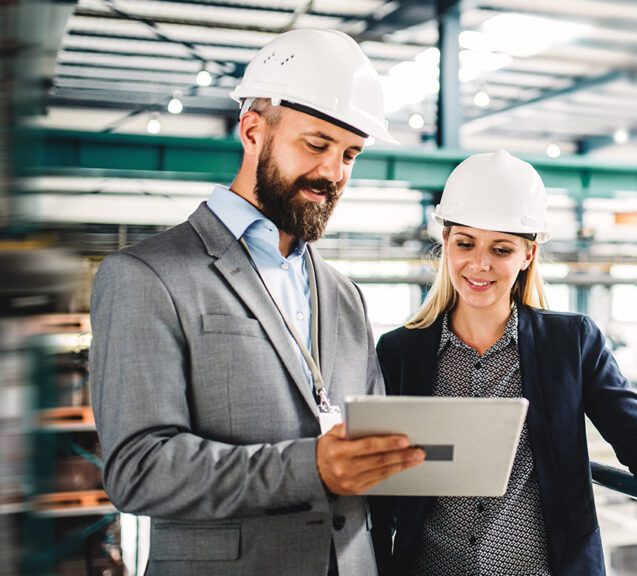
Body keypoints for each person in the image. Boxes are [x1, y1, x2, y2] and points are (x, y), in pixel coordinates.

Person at [90, 29, 425, 576]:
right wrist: (309, 467)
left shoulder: (344, 295)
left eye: (350, 155)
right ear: (252, 131)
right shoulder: (146, 277)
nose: (334, 174)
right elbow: (138, 469)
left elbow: (368, 443)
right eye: (316, 145)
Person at [372, 151, 637, 576]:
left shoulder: (570, 343)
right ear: (446, 241)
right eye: (465, 243)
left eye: (500, 249)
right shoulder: (400, 351)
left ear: (527, 255)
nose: (479, 264)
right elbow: (381, 476)